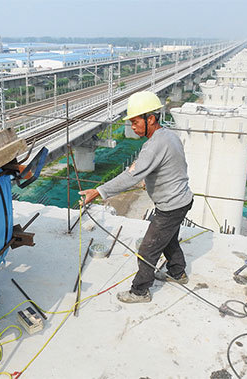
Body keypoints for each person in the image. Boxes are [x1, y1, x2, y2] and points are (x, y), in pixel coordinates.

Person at [79, 91, 193, 304]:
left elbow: (129, 177)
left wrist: (98, 191)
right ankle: (178, 273)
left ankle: (140, 292)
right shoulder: (169, 135)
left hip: (170, 207)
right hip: (181, 201)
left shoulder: (154, 145)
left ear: (150, 119)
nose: (133, 127)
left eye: (135, 122)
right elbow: (175, 166)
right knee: (168, 240)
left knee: (147, 249)